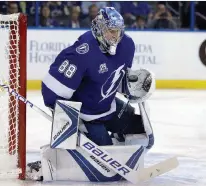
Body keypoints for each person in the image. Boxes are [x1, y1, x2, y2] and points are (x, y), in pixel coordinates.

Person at [27, 7, 155, 181]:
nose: (115, 37)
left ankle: (117, 138)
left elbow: (115, 78)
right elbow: (52, 87)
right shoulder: (82, 52)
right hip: (87, 116)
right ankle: (48, 164)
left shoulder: (127, 45)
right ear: (99, 29)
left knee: (144, 134)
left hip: (108, 106)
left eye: (118, 32)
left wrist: (129, 86)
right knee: (106, 163)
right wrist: (68, 118)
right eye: (111, 31)